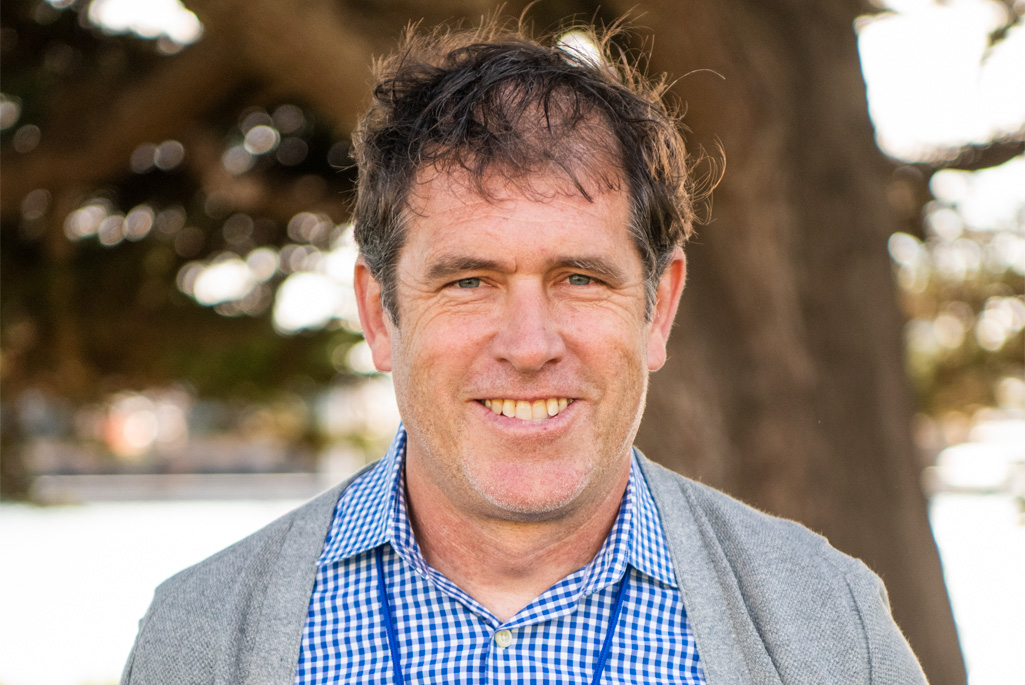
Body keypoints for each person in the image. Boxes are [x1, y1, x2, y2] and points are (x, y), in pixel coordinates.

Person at [121, 20, 927, 685]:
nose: (530, 345)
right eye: (469, 281)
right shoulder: (205, 637)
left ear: (658, 307)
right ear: (378, 313)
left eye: (579, 278)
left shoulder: (828, 623)